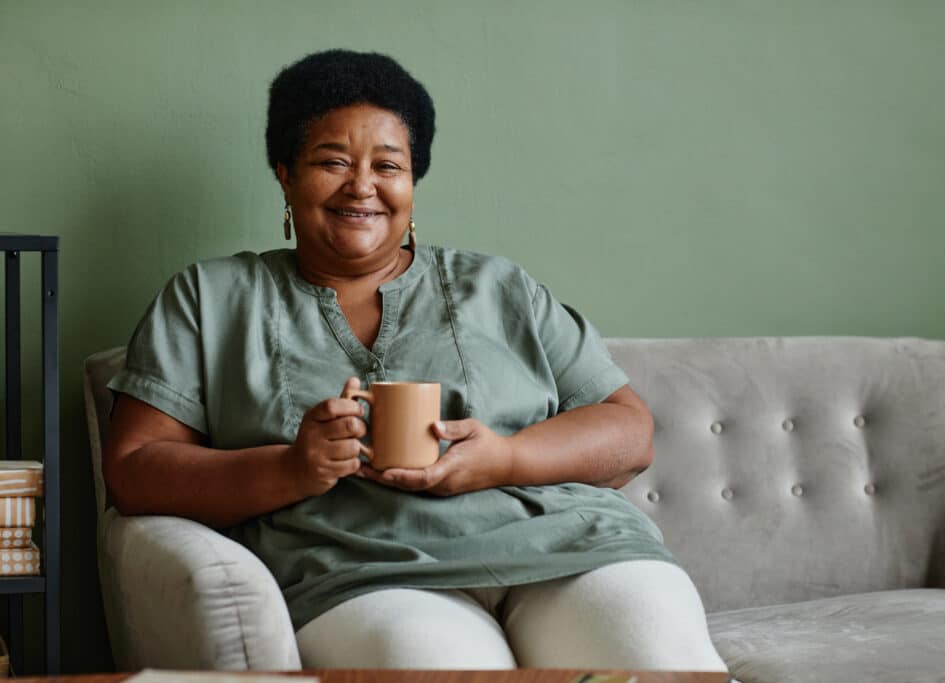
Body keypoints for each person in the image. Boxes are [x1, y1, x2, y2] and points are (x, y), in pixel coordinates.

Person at [104, 48, 726, 672]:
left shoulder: (499, 287)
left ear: (412, 183)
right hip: (363, 572)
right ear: (285, 173)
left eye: (388, 165)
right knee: (437, 664)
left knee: (659, 658)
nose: (362, 186)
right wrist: (293, 468)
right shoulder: (208, 299)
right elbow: (133, 469)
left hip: (574, 549)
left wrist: (504, 459)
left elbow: (628, 430)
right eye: (332, 162)